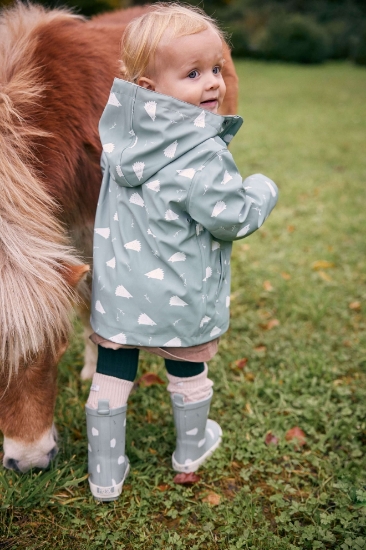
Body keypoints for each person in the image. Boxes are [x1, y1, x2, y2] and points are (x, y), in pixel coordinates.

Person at [86, 2, 278, 501]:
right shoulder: (202, 153)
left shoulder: (120, 138)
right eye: (192, 73)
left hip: (121, 289)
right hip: (180, 292)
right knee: (188, 366)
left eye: (215, 68)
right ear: (149, 89)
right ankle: (190, 449)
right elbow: (233, 217)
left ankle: (105, 473)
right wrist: (261, 188)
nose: (214, 82)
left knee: (113, 369)